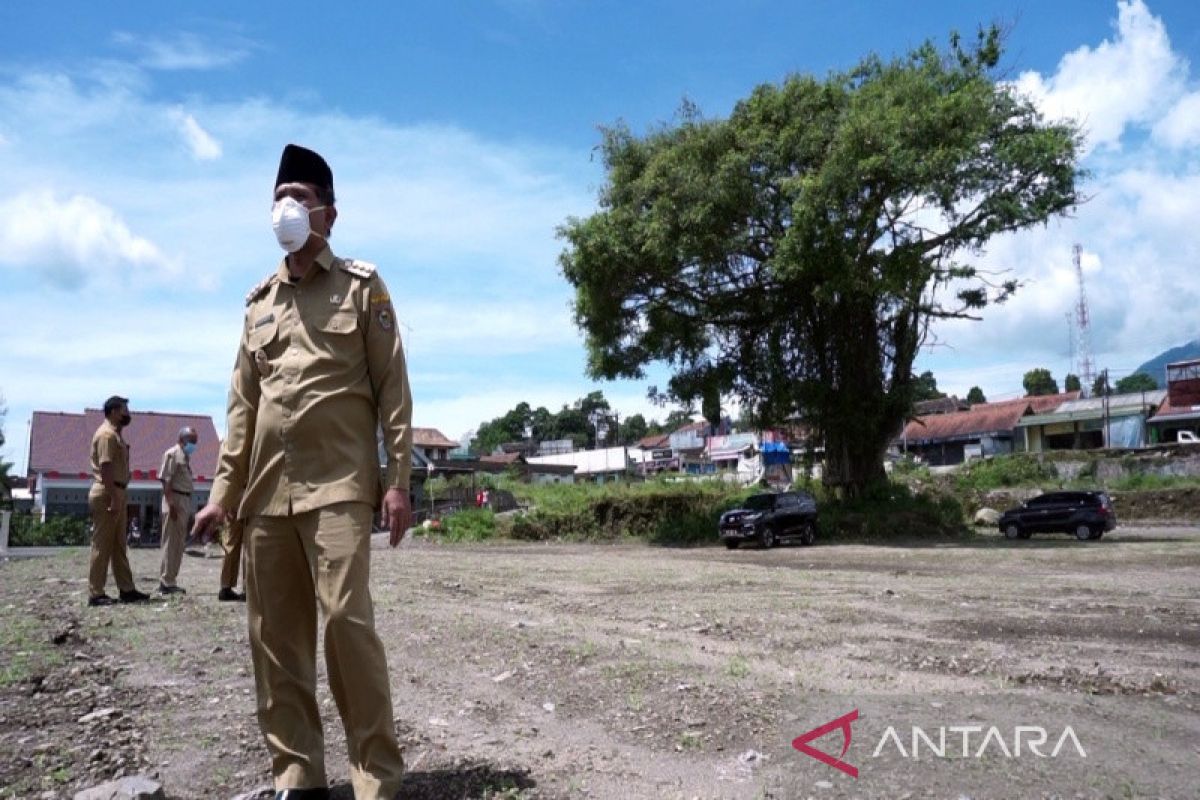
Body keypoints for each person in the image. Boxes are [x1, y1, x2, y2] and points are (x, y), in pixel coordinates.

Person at [192, 143, 413, 800]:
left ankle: (376, 779)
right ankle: (298, 776)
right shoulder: (257, 304)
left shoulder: (362, 287)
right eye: (277, 197)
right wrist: (221, 495)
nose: (285, 207)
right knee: (276, 643)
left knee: (347, 624)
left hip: (340, 486)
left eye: (299, 196)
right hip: (265, 497)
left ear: (329, 214)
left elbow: (392, 388)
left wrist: (397, 480)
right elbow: (241, 409)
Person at [87, 396, 150, 606]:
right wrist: (114, 497)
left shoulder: (116, 435)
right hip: (108, 491)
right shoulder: (106, 435)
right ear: (114, 411)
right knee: (102, 544)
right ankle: (96, 593)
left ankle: (127, 589)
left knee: (118, 545)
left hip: (117, 491)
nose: (127, 413)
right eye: (124, 409)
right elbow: (105, 468)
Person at [157, 426, 197, 594]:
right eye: (192, 441)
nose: (194, 445)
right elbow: (166, 481)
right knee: (171, 543)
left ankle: (171, 580)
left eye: (195, 442)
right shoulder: (172, 454)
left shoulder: (185, 456)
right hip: (174, 499)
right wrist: (171, 504)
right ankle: (166, 582)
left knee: (178, 543)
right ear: (182, 440)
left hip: (184, 500)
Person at [217, 519, 246, 602]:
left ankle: (225, 587)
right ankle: (248, 588)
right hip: (248, 508)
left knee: (230, 544)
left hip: (231, 508)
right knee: (249, 546)